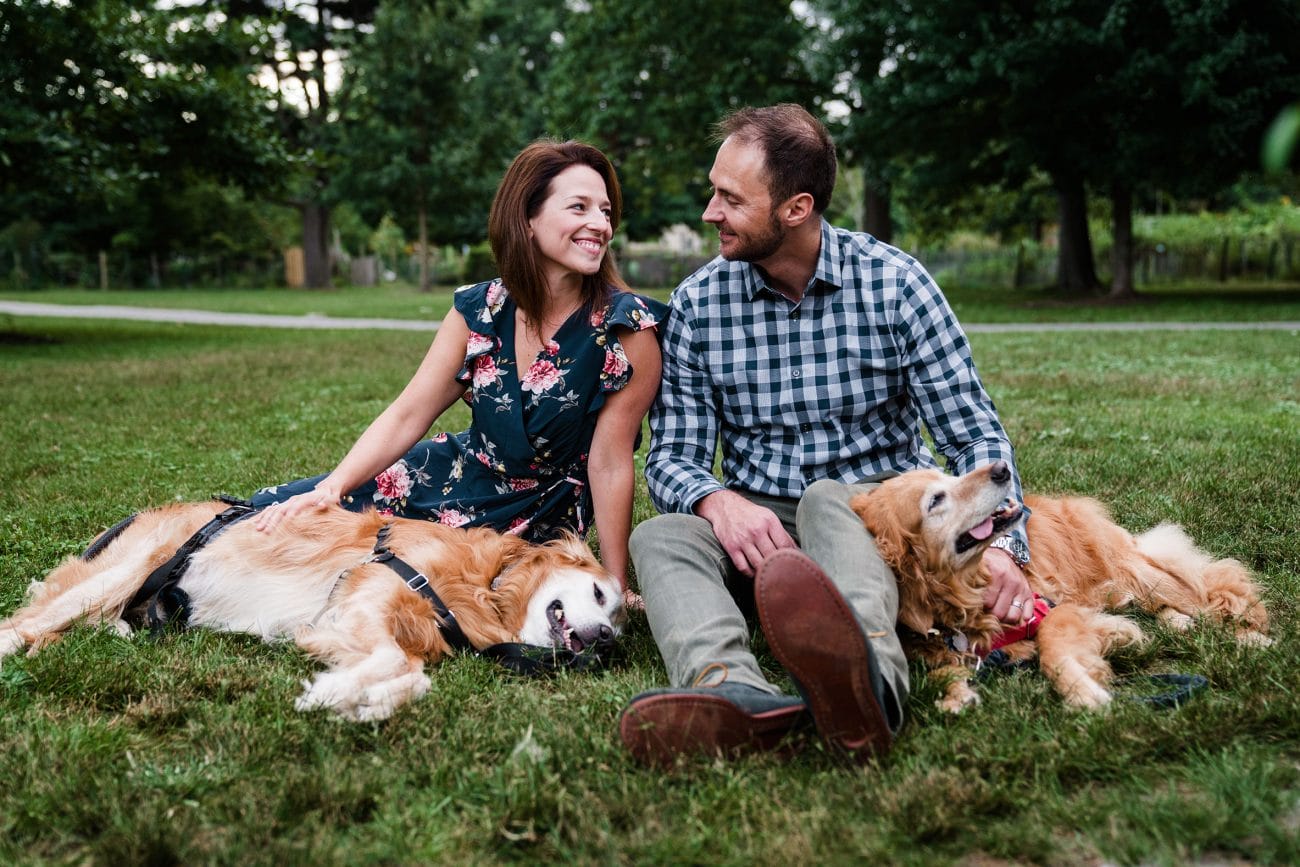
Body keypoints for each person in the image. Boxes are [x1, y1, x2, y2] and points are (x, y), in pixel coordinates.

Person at [618, 104, 1033, 766]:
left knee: (825, 498)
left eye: (729, 197)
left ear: (795, 207)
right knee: (661, 534)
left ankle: (871, 686)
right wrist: (717, 501)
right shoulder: (700, 302)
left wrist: (1005, 542)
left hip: (877, 513)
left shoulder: (896, 284)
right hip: (762, 528)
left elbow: (972, 428)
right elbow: (673, 456)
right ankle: (733, 692)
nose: (709, 212)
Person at [252, 140, 666, 594]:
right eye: (579, 207)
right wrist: (334, 485)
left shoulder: (626, 328)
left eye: (605, 211)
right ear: (527, 219)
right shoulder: (480, 309)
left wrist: (616, 583)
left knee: (422, 582)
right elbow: (410, 411)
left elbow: (608, 464)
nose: (599, 225)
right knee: (282, 514)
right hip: (456, 471)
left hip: (539, 511)